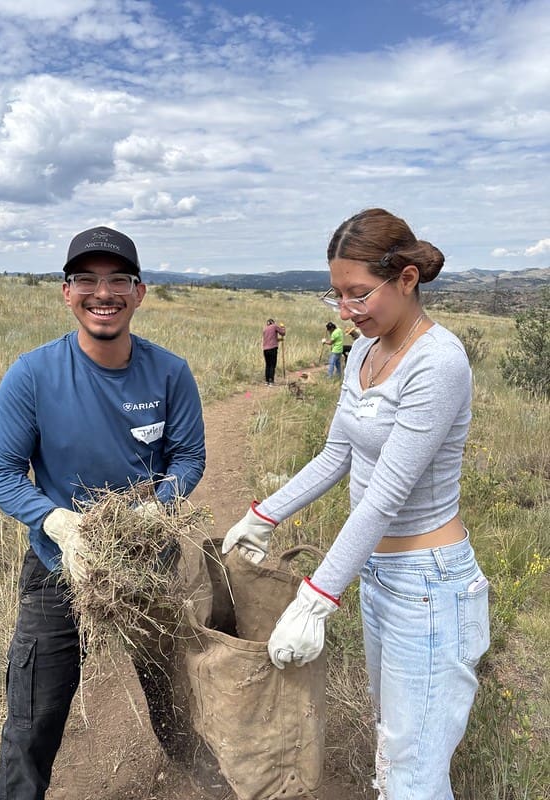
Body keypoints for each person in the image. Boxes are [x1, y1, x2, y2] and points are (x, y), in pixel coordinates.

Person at [222, 208, 490, 800]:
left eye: (359, 293)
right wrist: (263, 515)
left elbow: (387, 494)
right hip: (378, 574)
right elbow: (335, 456)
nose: (346, 310)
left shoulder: (438, 361)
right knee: (393, 747)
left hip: (429, 584)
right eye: (336, 294)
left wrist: (316, 599)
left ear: (407, 279)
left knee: (415, 775)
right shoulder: (365, 352)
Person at [0, 226, 206, 800]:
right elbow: (0, 473)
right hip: (60, 568)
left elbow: (188, 457)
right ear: (67, 292)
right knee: (33, 717)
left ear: (139, 292)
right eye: (86, 279)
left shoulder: (169, 373)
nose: (102, 293)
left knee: (174, 691)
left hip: (148, 565)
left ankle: (195, 777)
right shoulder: (33, 375)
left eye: (118, 280)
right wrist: (59, 524)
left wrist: (157, 510)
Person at [262, 318, 286, 385]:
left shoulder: (265, 329)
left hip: (265, 349)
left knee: (268, 365)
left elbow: (270, 339)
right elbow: (283, 333)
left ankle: (267, 381)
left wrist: (279, 340)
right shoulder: (274, 326)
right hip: (272, 349)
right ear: (273, 322)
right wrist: (282, 327)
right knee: (272, 365)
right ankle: (271, 381)